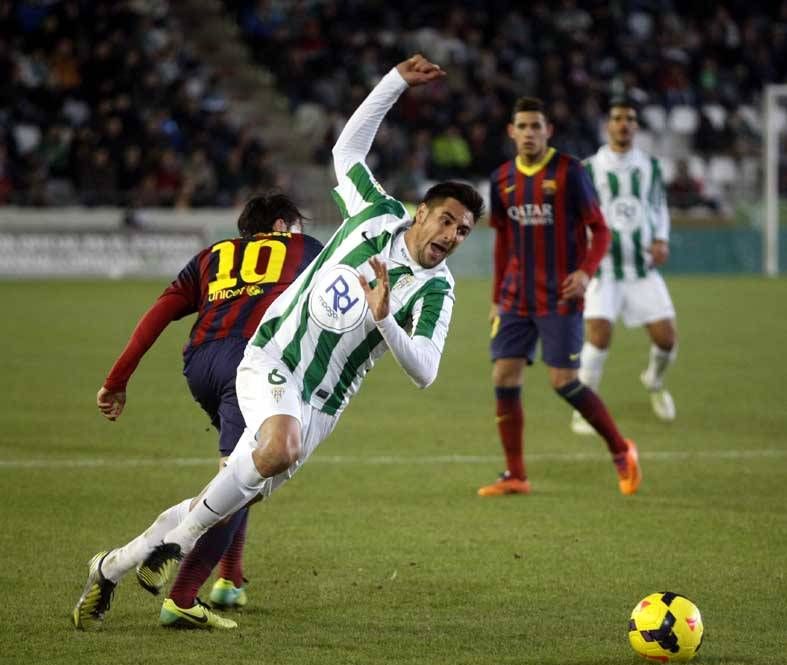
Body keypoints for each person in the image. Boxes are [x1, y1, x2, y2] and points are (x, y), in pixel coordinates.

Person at [73, 54, 484, 630]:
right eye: (445, 219)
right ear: (422, 212)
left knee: (228, 493)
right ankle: (176, 550)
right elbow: (347, 151)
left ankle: (112, 567)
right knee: (274, 450)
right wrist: (393, 84)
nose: (450, 235)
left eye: (462, 231)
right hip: (268, 360)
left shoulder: (437, 291)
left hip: (321, 406)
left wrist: (386, 319)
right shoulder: (374, 213)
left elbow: (426, 372)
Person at [73, 193, 324, 630]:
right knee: (244, 479)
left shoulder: (212, 256)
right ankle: (181, 597)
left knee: (241, 466)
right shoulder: (303, 249)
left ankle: (229, 579)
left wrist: (116, 380)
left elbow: (160, 312)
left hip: (201, 362)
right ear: (283, 226)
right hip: (252, 362)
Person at [478, 97, 641, 497]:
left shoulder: (570, 172)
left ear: (548, 131)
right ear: (511, 132)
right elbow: (502, 240)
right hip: (516, 295)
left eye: (537, 126)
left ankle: (621, 450)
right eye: (523, 126)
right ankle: (515, 474)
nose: (530, 133)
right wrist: (497, 295)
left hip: (560, 295)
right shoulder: (501, 179)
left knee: (564, 382)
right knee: (503, 375)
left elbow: (600, 230)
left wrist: (586, 272)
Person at [571, 97, 678, 435]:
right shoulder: (588, 168)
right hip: (602, 269)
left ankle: (655, 381)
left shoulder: (651, 166)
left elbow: (658, 206)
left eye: (630, 119)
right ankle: (584, 409)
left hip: (642, 268)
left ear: (636, 126)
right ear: (608, 125)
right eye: (618, 118)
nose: (624, 124)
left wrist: (661, 238)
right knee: (599, 336)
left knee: (667, 339)